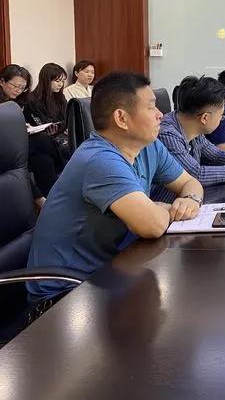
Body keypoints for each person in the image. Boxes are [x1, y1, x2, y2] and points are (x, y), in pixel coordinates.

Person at [26, 72, 204, 300]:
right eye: (151, 107)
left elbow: (190, 182)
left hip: (109, 271)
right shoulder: (100, 160)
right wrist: (161, 208)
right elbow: (152, 225)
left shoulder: (149, 147)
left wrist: (191, 200)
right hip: (66, 293)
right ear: (121, 118)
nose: (161, 114)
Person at [151, 76, 225, 203]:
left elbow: (216, 155)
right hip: (165, 208)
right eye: (222, 115)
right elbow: (195, 174)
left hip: (187, 204)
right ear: (205, 118)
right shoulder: (167, 134)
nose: (222, 119)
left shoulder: (193, 129)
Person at [1, 64, 65, 198]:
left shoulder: (21, 100)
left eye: (22, 87)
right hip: (6, 145)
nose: (19, 90)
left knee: (44, 160)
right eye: (15, 86)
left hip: (21, 143)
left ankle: (51, 200)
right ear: (2, 82)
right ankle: (63, 167)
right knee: (43, 140)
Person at [25, 63, 70, 157]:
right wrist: (61, 126)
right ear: (46, 81)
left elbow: (67, 116)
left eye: (62, 81)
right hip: (41, 139)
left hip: (61, 134)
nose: (61, 84)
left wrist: (66, 126)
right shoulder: (32, 100)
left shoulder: (60, 97)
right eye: (57, 81)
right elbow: (42, 123)